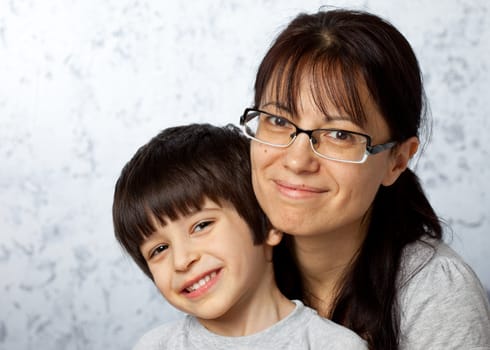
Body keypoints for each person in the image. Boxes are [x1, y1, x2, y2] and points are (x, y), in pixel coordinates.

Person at [240, 8, 490, 350]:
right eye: (279, 122)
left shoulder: (435, 293)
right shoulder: (232, 259)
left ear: (397, 160)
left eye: (340, 134)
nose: (297, 160)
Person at [112, 123, 367, 349]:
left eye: (201, 226)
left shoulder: (334, 345)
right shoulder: (156, 346)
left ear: (268, 224)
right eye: (158, 250)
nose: (181, 261)